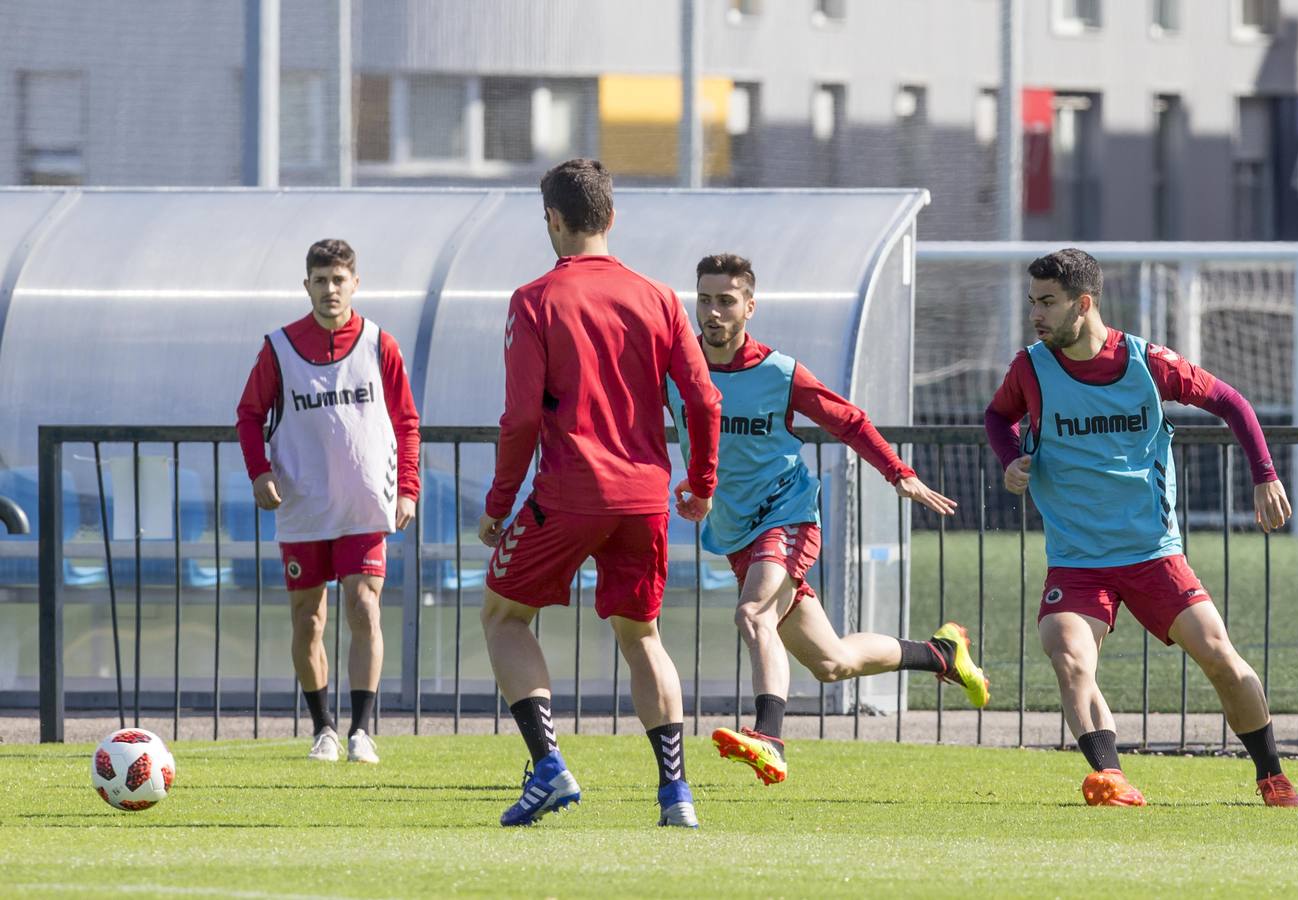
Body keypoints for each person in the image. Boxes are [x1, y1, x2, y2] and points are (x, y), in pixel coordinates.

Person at [986, 248, 1298, 807]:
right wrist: (1009, 456)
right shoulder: (1029, 368)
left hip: (1152, 553)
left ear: (1083, 304)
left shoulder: (1145, 362)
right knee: (1067, 655)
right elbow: (996, 416)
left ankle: (1273, 777)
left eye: (1047, 303)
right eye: (1031, 302)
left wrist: (1265, 475)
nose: (1035, 314)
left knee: (1220, 658)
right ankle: (1111, 779)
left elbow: (1231, 401)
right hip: (1078, 558)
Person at [669, 253, 990, 786]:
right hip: (734, 530)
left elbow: (848, 420)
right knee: (832, 662)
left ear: (750, 306)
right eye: (704, 300)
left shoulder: (779, 371)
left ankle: (769, 738)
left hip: (787, 514)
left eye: (726, 301)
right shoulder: (679, 372)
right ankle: (941, 654)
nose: (713, 312)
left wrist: (898, 472)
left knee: (753, 615)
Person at [478, 159, 721, 828]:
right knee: (643, 638)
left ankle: (549, 767)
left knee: (503, 617)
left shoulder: (535, 300)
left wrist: (499, 506)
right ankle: (676, 795)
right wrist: (700, 483)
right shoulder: (661, 298)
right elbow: (702, 398)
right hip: (645, 498)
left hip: (570, 491)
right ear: (611, 218)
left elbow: (522, 417)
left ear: (552, 220)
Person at [236, 238, 420, 765]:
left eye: (339, 279)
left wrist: (407, 486)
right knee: (308, 620)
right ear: (307, 285)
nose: (330, 289)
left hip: (365, 503)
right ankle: (324, 729)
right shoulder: (279, 346)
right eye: (321, 280)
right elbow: (249, 414)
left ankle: (362, 730)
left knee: (364, 607)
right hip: (303, 505)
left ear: (355, 284)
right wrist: (259, 472)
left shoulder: (380, 343)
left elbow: (407, 421)